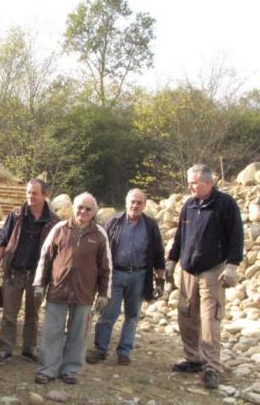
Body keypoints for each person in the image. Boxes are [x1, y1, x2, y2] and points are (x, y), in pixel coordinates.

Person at [165, 163, 243, 389]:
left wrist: (232, 265)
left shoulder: (225, 204)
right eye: (189, 182)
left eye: (194, 182)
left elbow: (236, 236)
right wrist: (172, 260)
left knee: (209, 319)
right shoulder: (188, 205)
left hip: (212, 271)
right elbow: (180, 236)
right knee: (186, 314)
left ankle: (211, 367)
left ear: (208, 182)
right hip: (188, 270)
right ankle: (193, 359)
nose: (189, 186)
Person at [32, 193, 111, 384]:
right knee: (52, 332)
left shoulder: (100, 234)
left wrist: (103, 294)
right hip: (58, 290)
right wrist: (39, 285)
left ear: (94, 212)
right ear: (73, 208)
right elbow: (45, 258)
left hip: (84, 293)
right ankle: (47, 369)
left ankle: (70, 370)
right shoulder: (59, 228)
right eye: (80, 207)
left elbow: (106, 266)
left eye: (88, 209)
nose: (83, 212)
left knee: (78, 335)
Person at [86, 189, 165, 366]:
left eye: (139, 202)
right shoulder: (113, 222)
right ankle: (100, 349)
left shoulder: (151, 226)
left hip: (139, 275)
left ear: (144, 205)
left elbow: (159, 253)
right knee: (108, 314)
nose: (135, 205)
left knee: (132, 316)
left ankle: (124, 351)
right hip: (115, 274)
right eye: (133, 202)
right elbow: (101, 250)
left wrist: (160, 281)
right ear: (126, 202)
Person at [0, 178, 60, 366]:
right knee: (9, 314)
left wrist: (53, 277)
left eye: (35, 193)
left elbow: (58, 251)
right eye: (28, 192)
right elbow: (3, 240)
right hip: (14, 271)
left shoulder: (54, 221)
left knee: (32, 314)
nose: (30, 196)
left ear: (45, 195)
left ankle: (29, 349)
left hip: (37, 277)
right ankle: (5, 350)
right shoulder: (16, 214)